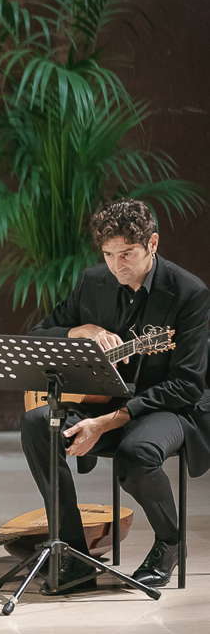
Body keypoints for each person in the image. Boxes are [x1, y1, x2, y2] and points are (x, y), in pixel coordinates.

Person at [20, 198, 210, 593]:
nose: (117, 265)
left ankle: (170, 544)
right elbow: (39, 335)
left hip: (167, 406)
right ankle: (71, 555)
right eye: (108, 254)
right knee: (39, 423)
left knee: (136, 453)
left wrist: (107, 423)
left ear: (152, 244)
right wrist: (80, 331)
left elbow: (187, 384)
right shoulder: (94, 282)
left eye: (127, 254)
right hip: (102, 401)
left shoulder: (189, 293)